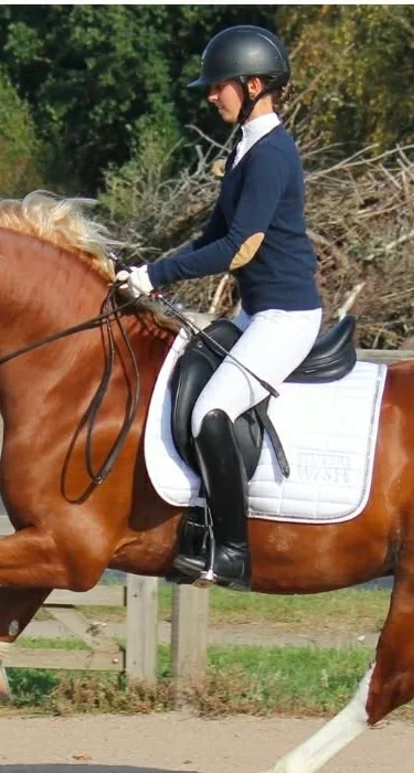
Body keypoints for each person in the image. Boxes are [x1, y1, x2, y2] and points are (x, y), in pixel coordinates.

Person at [116, 24, 323, 591]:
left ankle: (232, 552)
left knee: (212, 412)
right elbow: (212, 234)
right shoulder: (243, 149)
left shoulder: (272, 152)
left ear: (254, 85)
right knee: (180, 386)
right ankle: (194, 527)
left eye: (219, 85)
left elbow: (240, 248)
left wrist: (157, 276)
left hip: (286, 317)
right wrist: (146, 269)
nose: (211, 95)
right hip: (255, 312)